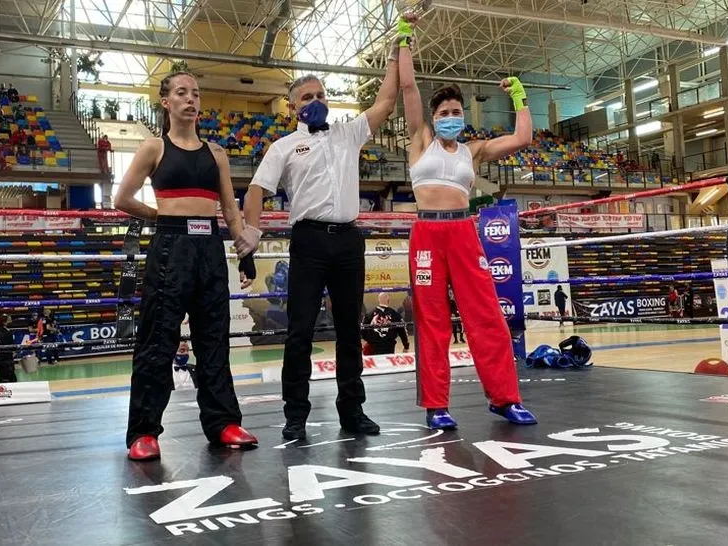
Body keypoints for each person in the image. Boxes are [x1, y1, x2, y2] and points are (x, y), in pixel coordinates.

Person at [237, 27, 405, 442]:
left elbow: (386, 100)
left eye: (320, 95)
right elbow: (256, 190)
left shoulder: (348, 133)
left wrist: (395, 50)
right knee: (299, 331)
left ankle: (353, 412)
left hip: (349, 239)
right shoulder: (283, 147)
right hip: (309, 242)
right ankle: (295, 416)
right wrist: (251, 234)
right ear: (293, 108)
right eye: (306, 98)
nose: (315, 102)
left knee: (351, 328)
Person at [396, 12, 536, 429]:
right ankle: (436, 404)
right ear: (434, 117)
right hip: (426, 232)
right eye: (445, 111)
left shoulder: (472, 150)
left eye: (457, 110)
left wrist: (519, 97)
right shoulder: (420, 139)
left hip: (462, 229)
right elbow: (407, 86)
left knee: (486, 315)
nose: (451, 115)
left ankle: (505, 398)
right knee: (432, 319)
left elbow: (523, 139)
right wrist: (405, 36)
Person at [113, 71, 258, 461]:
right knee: (157, 342)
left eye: (195, 93)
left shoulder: (217, 154)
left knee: (214, 338)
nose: (191, 99)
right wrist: (161, 219)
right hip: (170, 249)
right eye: (182, 93)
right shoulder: (152, 148)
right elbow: (122, 198)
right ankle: (144, 431)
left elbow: (229, 209)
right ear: (166, 102)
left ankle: (223, 421)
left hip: (209, 247)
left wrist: (246, 252)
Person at [0, 314, 17, 383]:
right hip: (6, 360)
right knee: (11, 380)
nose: (10, 318)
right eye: (8, 318)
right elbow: (11, 346)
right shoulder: (7, 332)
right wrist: (14, 352)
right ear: (4, 321)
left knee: (1, 379)